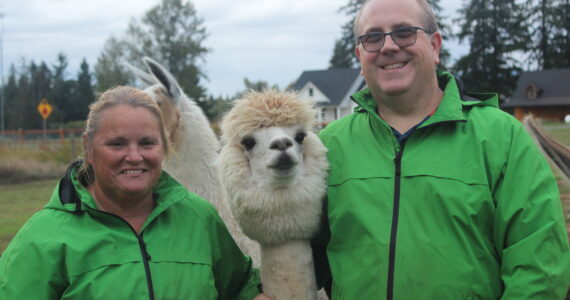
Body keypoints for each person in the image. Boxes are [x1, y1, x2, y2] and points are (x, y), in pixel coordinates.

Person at [312, 0, 570, 299]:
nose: (388, 46)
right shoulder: (328, 147)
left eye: (404, 32)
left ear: (435, 46)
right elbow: (297, 249)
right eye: (373, 37)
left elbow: (540, 266)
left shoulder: (501, 137)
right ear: (360, 55)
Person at [0, 86, 269, 299]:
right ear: (88, 147)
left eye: (147, 143)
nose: (134, 156)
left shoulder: (200, 218)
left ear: (163, 146)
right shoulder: (43, 238)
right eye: (117, 144)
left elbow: (239, 290)